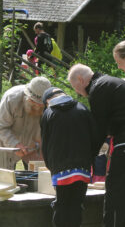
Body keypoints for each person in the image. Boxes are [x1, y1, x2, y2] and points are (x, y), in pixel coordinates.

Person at [67, 64, 125, 227]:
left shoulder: (97, 90)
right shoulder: (110, 82)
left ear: (81, 80)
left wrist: (88, 156)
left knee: (116, 187)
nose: (77, 93)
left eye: (76, 88)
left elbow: (99, 129)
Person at [40, 87, 97, 227]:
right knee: (77, 206)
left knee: (61, 206)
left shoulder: (49, 113)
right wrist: (90, 160)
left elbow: (45, 144)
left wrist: (50, 166)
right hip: (83, 167)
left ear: (48, 101)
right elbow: (94, 138)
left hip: (60, 169)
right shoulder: (82, 108)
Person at [0, 76, 52, 166]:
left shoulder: (52, 104)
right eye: (34, 102)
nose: (37, 106)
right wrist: (15, 144)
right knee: (2, 177)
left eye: (40, 104)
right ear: (28, 96)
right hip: (3, 141)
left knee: (37, 177)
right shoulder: (11, 98)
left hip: (33, 147)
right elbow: (0, 126)